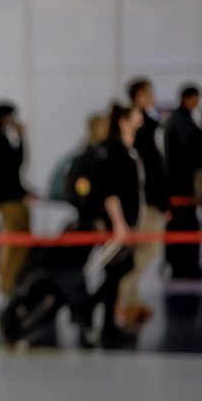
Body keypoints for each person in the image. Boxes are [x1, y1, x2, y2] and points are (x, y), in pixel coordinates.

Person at [87, 104, 144, 348]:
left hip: (127, 221)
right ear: (123, 121)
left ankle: (92, 310)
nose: (140, 117)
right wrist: (119, 224)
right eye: (136, 114)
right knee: (114, 271)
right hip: (115, 224)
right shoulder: (114, 150)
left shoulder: (126, 149)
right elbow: (109, 190)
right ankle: (104, 324)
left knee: (121, 269)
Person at [117, 79, 171, 323]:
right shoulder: (142, 130)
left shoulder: (150, 124)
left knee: (142, 252)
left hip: (147, 200)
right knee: (145, 251)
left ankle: (131, 299)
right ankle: (124, 298)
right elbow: (149, 171)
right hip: (145, 202)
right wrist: (162, 202)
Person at [0, 102, 31, 294]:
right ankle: (6, 285)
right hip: (10, 200)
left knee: (16, 244)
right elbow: (14, 167)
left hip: (10, 199)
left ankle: (9, 283)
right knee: (12, 244)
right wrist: (21, 138)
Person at [164, 84, 202, 279]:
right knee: (185, 226)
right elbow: (191, 150)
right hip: (181, 186)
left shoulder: (178, 119)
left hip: (178, 184)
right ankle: (185, 267)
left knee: (180, 226)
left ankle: (180, 266)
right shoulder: (182, 121)